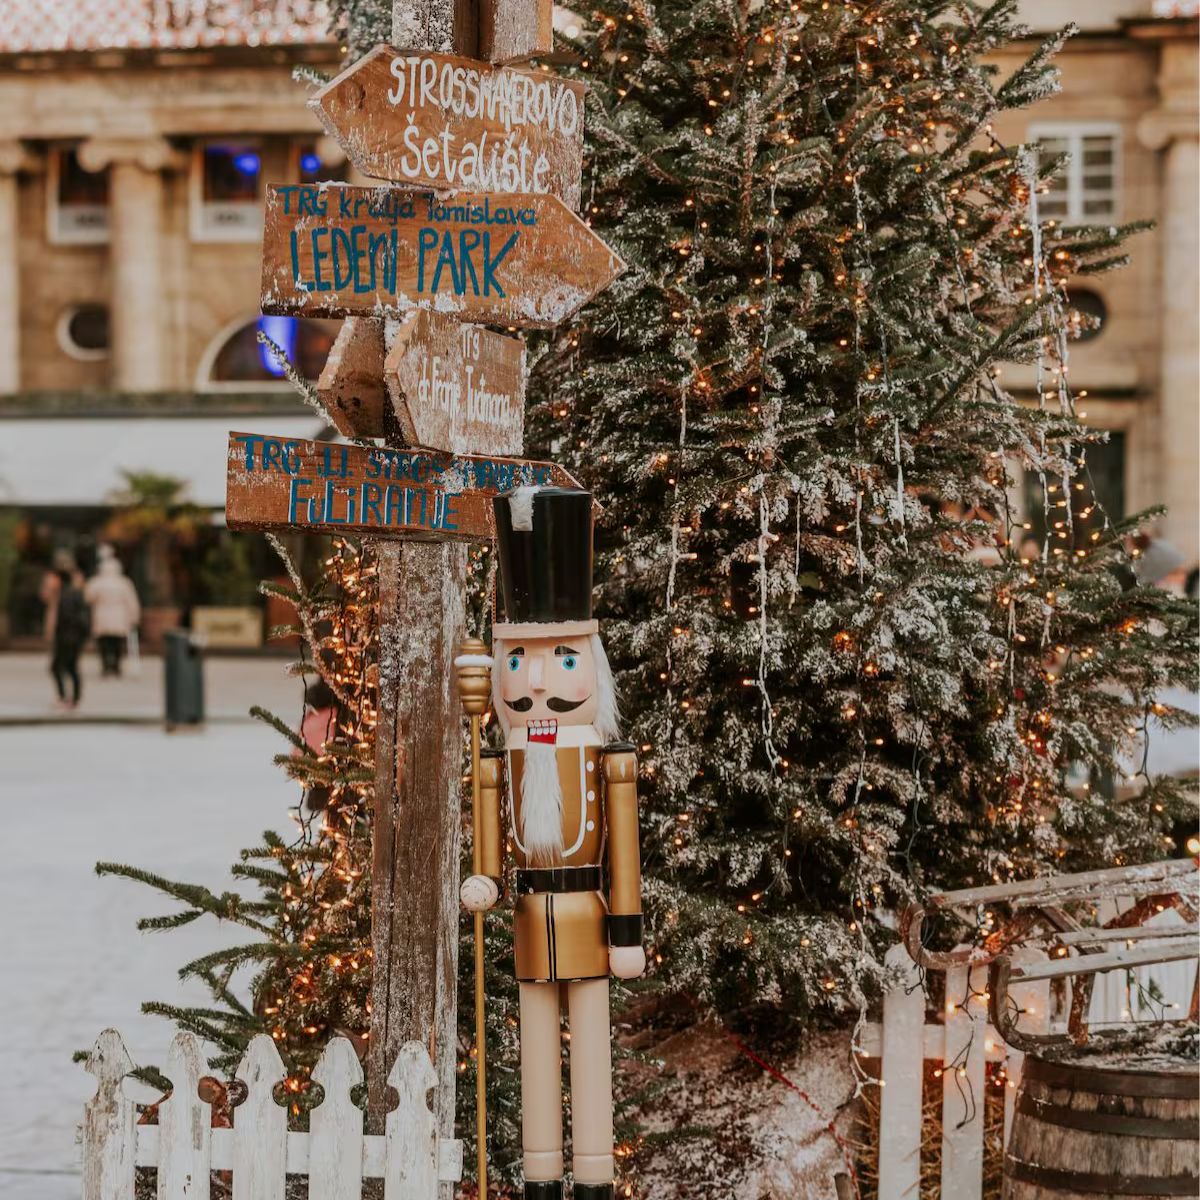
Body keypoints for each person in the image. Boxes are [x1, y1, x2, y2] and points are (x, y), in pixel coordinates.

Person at [84, 547, 141, 677]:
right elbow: (132, 601)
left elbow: (88, 597)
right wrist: (134, 617)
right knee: (117, 643)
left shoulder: (97, 582)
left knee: (104, 643)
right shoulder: (124, 583)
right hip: (119, 616)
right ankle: (115, 665)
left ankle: (106, 666)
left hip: (102, 615)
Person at [51, 567, 89, 709]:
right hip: (73, 637)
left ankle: (69, 698)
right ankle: (73, 698)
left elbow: (68, 618)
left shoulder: (67, 595)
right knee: (69, 667)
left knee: (62, 667)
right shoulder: (71, 593)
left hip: (68, 638)